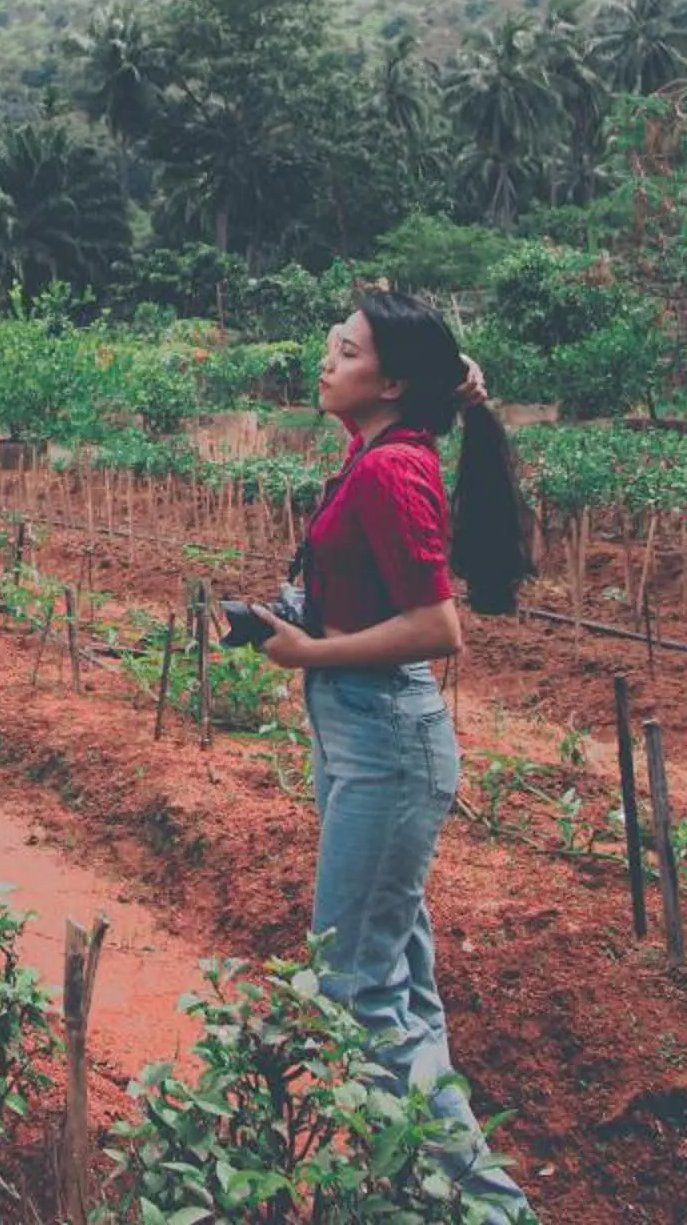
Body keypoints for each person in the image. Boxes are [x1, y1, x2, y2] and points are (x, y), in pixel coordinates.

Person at [247, 287, 535, 1216]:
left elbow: (437, 626)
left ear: (391, 383)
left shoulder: (392, 470)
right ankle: (427, 1185)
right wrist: (294, 621)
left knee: (355, 991)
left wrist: (311, 651)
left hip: (384, 741)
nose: (326, 361)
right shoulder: (373, 450)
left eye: (346, 351)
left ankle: (488, 1209)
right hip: (357, 734)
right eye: (331, 345)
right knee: (397, 982)